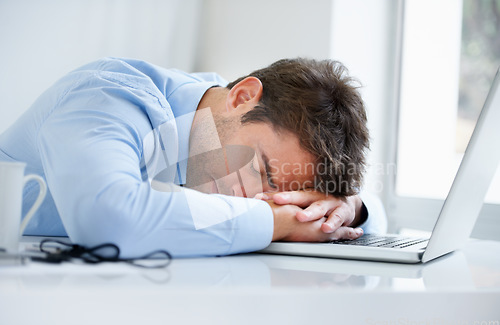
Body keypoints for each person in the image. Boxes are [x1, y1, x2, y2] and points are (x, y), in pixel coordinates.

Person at [0, 57, 387, 257]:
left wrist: (347, 209)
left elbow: (381, 218)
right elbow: (109, 220)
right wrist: (274, 222)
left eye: (286, 197)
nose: (253, 199)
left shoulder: (219, 124)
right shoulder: (108, 97)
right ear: (241, 97)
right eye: (262, 170)